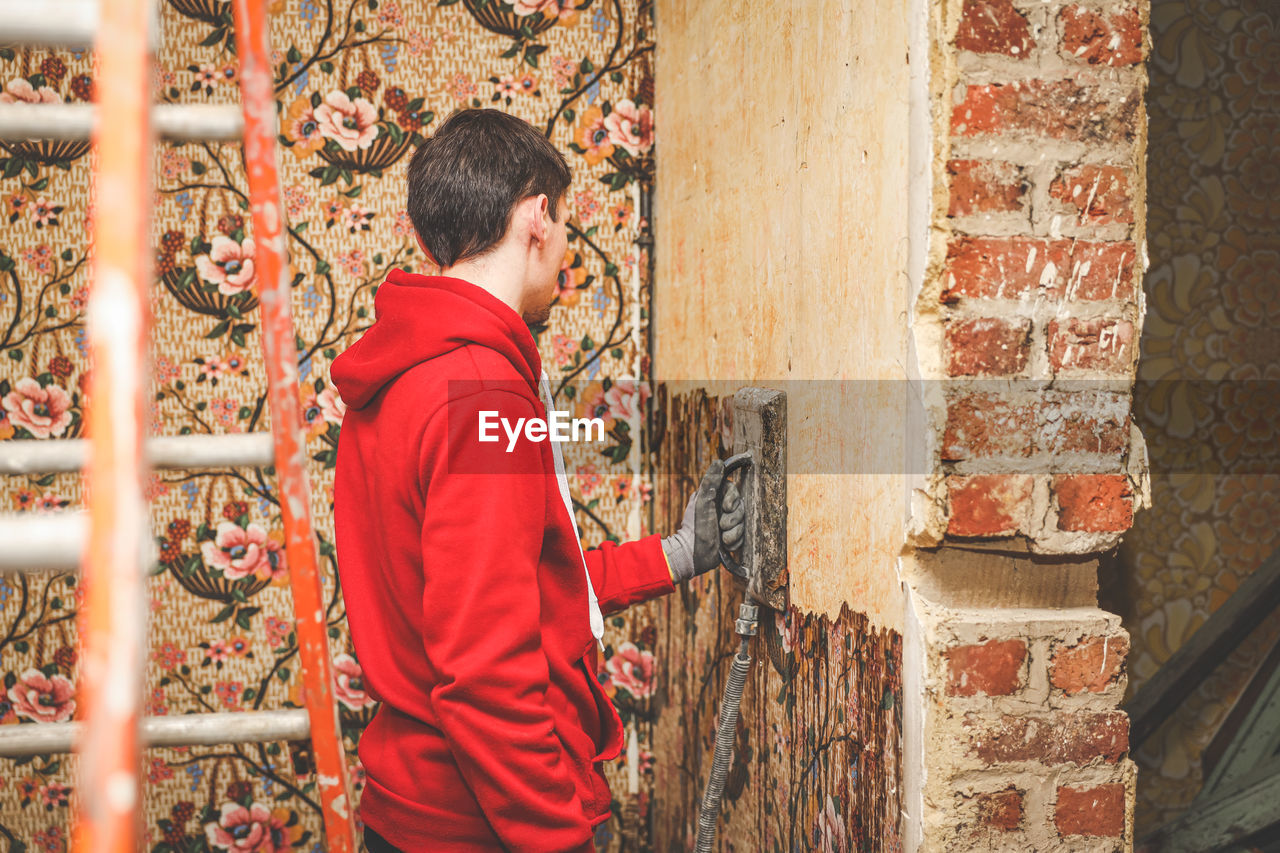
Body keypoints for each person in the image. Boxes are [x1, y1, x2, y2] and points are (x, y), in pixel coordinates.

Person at [331, 108, 744, 853]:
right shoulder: (481, 390)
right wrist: (558, 839)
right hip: (480, 826)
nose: (564, 253)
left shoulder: (403, 374)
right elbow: (485, 664)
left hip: (413, 809)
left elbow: (513, 590)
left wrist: (679, 551)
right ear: (537, 217)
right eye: (564, 228)